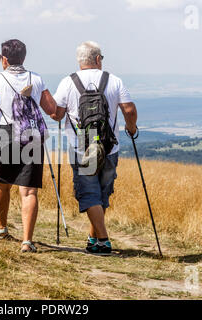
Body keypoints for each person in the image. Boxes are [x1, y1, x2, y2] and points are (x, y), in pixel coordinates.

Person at [51, 41, 138, 255]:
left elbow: (57, 114)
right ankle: (98, 240)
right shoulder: (114, 80)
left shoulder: (68, 82)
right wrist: (131, 128)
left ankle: (101, 240)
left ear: (79, 61)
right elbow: (129, 109)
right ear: (98, 59)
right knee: (101, 194)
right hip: (109, 146)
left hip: (82, 146)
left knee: (90, 194)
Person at [0, 39, 57, 253]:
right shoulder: (36, 79)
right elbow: (51, 108)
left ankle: (2, 227)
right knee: (29, 191)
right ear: (23, 58)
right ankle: (27, 241)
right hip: (32, 136)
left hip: (6, 135)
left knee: (2, 184)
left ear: (4, 59)